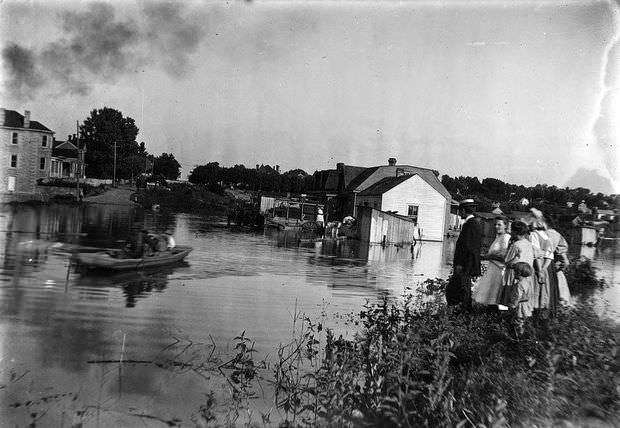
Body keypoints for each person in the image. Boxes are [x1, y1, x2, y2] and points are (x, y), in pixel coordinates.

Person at [498, 221, 535, 334]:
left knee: (512, 300)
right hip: (527, 275)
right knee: (522, 302)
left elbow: (507, 261)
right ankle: (519, 329)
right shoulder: (528, 244)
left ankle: (511, 329)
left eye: (512, 230)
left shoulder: (515, 245)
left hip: (515, 274)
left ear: (516, 232)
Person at [447, 198, 481, 311]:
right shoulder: (471, 223)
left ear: (463, 211)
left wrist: (463, 266)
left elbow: (469, 248)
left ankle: (464, 313)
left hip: (464, 266)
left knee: (463, 290)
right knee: (457, 289)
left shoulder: (471, 224)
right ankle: (460, 312)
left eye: (460, 210)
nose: (459, 213)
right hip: (464, 265)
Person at [473, 216, 511, 308]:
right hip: (492, 270)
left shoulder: (506, 237)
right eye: (495, 224)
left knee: (495, 298)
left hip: (499, 271)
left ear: (505, 226)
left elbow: (505, 258)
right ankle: (490, 317)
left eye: (499, 225)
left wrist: (489, 256)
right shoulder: (498, 237)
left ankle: (495, 318)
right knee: (490, 299)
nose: (496, 227)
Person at [528, 209, 558, 317]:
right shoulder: (546, 236)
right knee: (543, 295)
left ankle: (530, 322)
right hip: (546, 268)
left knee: (533, 295)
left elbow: (536, 256)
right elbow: (549, 256)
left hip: (536, 268)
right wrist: (544, 269)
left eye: (532, 218)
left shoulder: (533, 235)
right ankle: (540, 321)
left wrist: (539, 270)